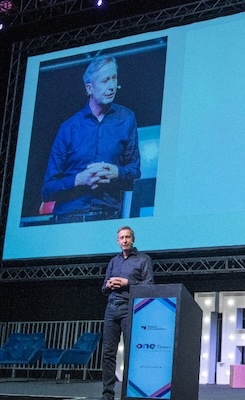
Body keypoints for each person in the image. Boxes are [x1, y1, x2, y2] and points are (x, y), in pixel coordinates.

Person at [41, 55, 141, 223]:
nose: (112, 86)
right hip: (69, 220)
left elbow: (135, 175)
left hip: (107, 219)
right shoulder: (69, 128)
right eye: (105, 81)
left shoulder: (126, 119)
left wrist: (117, 172)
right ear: (89, 88)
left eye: (114, 78)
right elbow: (47, 190)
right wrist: (79, 180)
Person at [101, 226, 153, 400]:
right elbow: (103, 288)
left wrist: (127, 283)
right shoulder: (113, 261)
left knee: (131, 353)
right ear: (118, 241)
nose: (124, 240)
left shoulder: (143, 259)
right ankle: (107, 395)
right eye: (121, 238)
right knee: (108, 353)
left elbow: (149, 285)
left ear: (133, 239)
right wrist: (108, 285)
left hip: (129, 308)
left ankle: (130, 393)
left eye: (127, 237)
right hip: (111, 307)